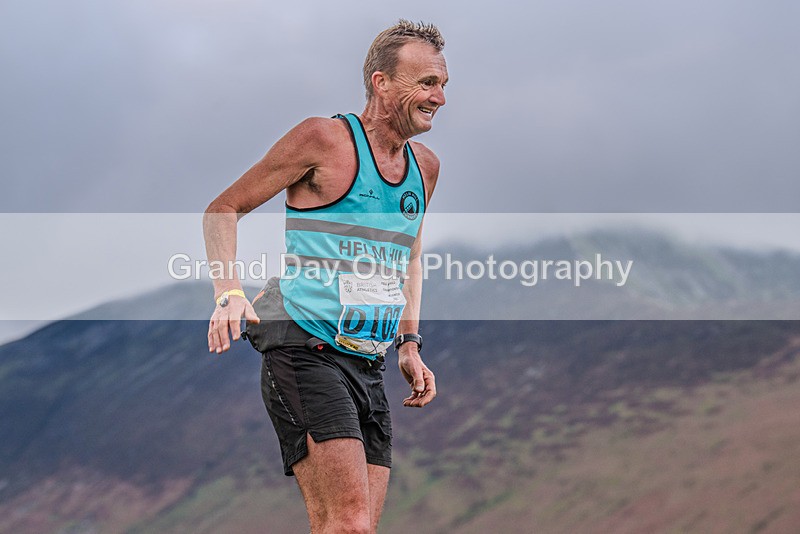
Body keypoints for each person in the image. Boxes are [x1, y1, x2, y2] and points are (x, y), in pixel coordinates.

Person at [203, 20, 447, 533]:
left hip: (368, 363)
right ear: (382, 83)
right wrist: (228, 291)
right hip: (303, 347)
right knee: (350, 524)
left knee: (345, 527)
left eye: (443, 84)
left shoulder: (425, 167)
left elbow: (410, 255)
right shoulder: (324, 139)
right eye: (426, 82)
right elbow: (223, 209)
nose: (440, 97)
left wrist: (408, 344)